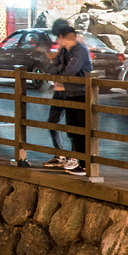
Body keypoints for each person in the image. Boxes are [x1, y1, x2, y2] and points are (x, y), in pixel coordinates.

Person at [44, 20, 92, 173]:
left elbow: (71, 71)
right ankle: (77, 161)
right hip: (70, 92)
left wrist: (61, 71)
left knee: (80, 129)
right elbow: (52, 69)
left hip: (80, 92)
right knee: (71, 128)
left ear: (63, 37)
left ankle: (84, 164)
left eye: (58, 38)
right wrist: (62, 68)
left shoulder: (80, 51)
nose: (57, 41)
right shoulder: (65, 51)